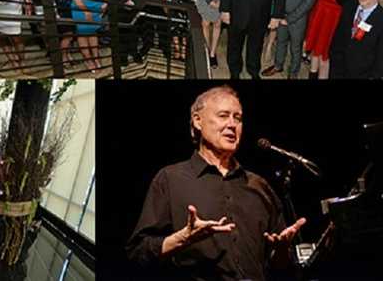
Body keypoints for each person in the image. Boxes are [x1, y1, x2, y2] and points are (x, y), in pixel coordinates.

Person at [126, 85, 306, 280]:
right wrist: (181, 238)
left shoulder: (259, 185)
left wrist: (280, 252)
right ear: (197, 121)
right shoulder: (170, 179)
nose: (232, 124)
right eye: (223, 115)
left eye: (237, 118)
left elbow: (280, 264)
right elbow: (138, 251)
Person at [330, 0, 383, 78]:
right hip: (338, 68)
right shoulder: (349, 6)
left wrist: (374, 76)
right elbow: (338, 35)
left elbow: (381, 55)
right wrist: (333, 56)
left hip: (362, 73)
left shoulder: (381, 19)